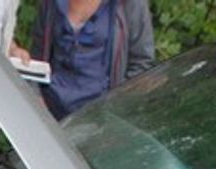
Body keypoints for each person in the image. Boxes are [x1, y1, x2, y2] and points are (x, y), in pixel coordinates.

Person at [25, 0, 155, 119]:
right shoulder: (51, 3)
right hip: (49, 112)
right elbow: (37, 59)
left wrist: (115, 106)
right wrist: (36, 98)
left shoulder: (129, 4)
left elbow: (142, 63)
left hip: (100, 119)